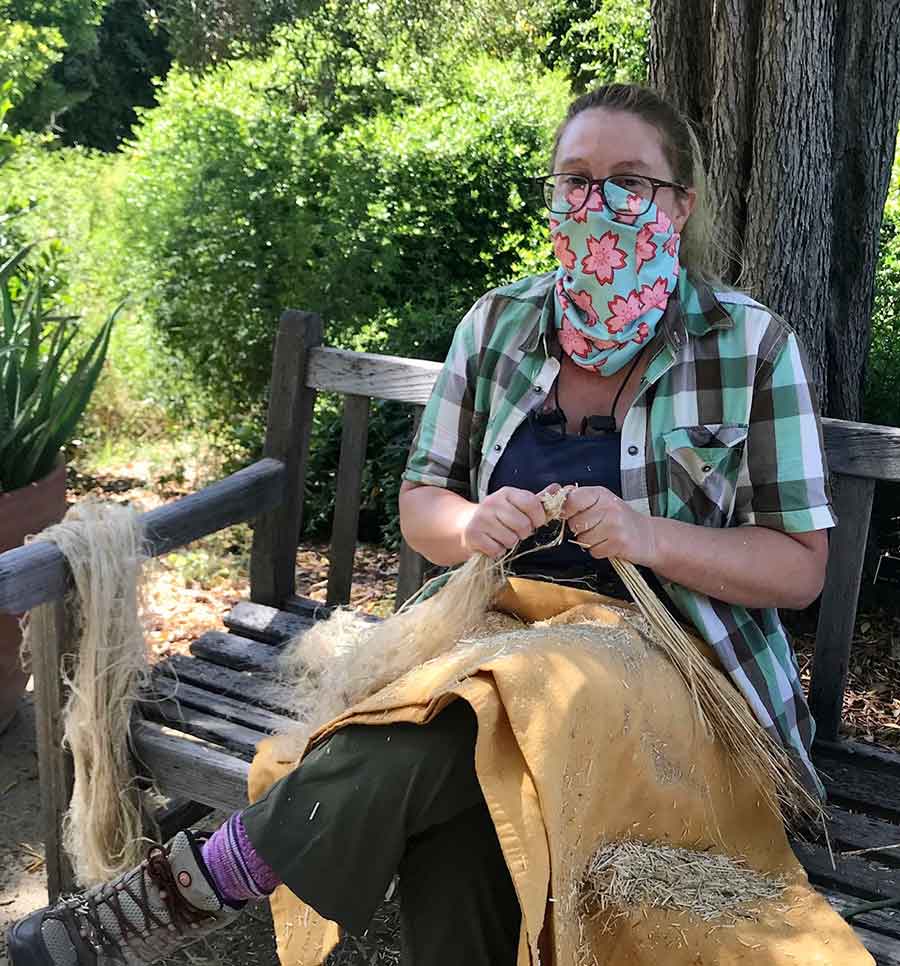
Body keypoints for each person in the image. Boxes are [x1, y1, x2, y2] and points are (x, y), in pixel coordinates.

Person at [6, 83, 835, 966]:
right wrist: (475, 522)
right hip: (492, 635)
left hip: (665, 672)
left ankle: (192, 887)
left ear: (681, 203)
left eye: (630, 182)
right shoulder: (500, 324)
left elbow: (800, 565)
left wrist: (645, 536)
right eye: (577, 179)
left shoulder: (748, 344)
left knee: (476, 712)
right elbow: (422, 505)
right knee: (474, 803)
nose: (601, 205)